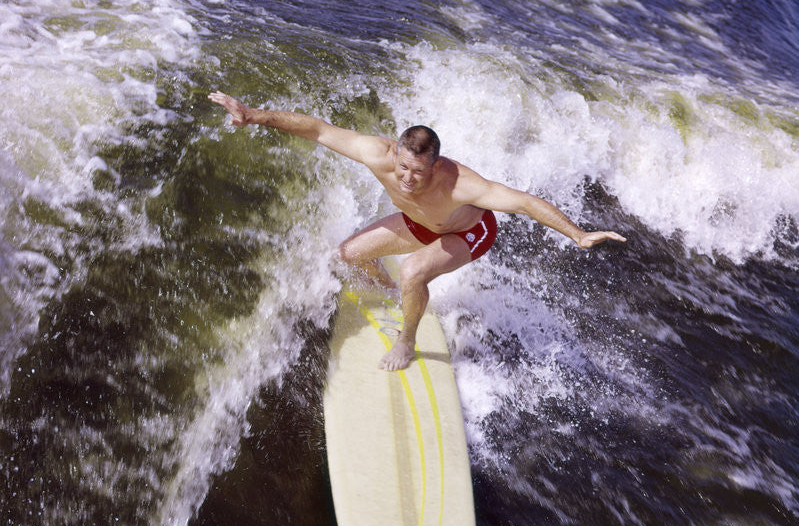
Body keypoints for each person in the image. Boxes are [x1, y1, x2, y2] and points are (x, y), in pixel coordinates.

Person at [209, 91, 626, 371]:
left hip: (468, 233)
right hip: (419, 224)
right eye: (404, 167)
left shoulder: (461, 183)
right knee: (350, 255)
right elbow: (317, 128)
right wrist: (252, 116)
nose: (407, 179)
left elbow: (523, 201)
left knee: (414, 270)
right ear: (397, 151)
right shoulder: (379, 155)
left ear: (436, 165)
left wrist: (576, 234)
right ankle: (402, 297)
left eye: (419, 172)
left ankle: (406, 341)